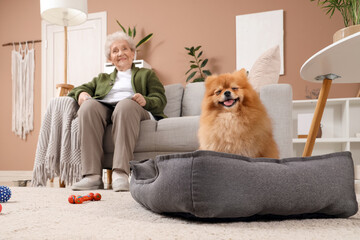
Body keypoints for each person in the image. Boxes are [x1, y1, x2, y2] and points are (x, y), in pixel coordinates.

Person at [68, 31, 167, 191]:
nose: (120, 53)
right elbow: (79, 89)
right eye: (115, 51)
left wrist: (145, 100)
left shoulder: (146, 74)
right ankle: (92, 176)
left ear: (133, 53)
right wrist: (81, 94)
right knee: (88, 106)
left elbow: (160, 99)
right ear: (110, 58)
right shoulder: (102, 78)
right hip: (107, 108)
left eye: (125, 49)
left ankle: (120, 173)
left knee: (124, 105)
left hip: (133, 108)